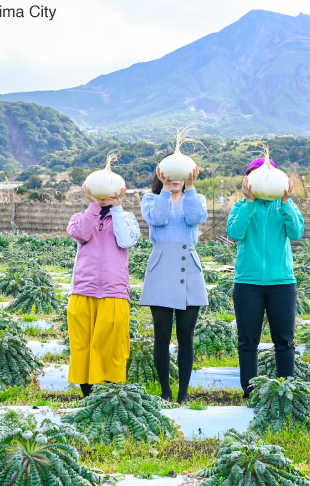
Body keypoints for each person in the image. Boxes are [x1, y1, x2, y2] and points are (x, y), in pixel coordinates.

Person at [227, 157, 305, 398]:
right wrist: (249, 202)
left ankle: (285, 390)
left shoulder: (283, 207)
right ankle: (250, 391)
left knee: (284, 340)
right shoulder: (241, 206)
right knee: (248, 340)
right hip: (247, 283)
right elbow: (235, 232)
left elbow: (296, 232)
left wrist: (286, 201)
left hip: (281, 282)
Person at [140, 164, 208, 403]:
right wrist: (166, 189)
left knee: (186, 336)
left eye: (181, 176)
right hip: (161, 268)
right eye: (171, 176)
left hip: (188, 267)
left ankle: (183, 394)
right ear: (162, 175)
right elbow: (158, 219)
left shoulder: (196, 198)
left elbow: (194, 218)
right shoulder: (151, 199)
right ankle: (165, 391)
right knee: (162, 336)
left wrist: (190, 187)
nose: (176, 180)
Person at [66, 183, 140, 397]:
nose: (106, 196)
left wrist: (117, 208)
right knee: (83, 345)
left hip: (114, 292)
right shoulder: (79, 217)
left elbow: (125, 240)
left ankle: (109, 394)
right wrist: (93, 206)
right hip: (82, 290)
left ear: (120, 192)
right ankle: (88, 397)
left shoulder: (127, 218)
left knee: (112, 345)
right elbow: (81, 234)